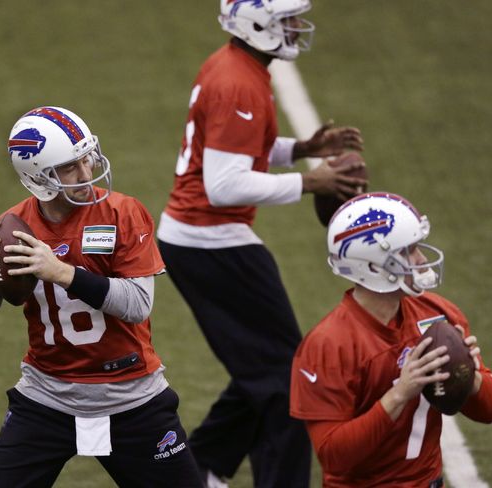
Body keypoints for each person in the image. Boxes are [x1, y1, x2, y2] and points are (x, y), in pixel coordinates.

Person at [156, 1, 366, 487]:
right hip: (209, 240)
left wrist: (301, 149)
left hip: (204, 240)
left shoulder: (235, 66)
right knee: (289, 380)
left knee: (269, 369)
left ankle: (200, 468)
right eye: (288, 18)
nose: (296, 26)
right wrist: (308, 182)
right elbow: (224, 184)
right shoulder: (239, 80)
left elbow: (238, 142)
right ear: (257, 23)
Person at [0, 106, 203, 487]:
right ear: (38, 178)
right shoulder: (15, 228)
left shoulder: (124, 212)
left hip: (131, 397)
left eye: (86, 157)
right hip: (46, 398)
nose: (86, 173)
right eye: (69, 167)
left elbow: (138, 304)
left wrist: (60, 272)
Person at [290, 192, 492, 487]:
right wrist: (400, 393)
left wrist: (470, 377)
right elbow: (333, 456)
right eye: (409, 250)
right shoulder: (328, 345)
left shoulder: (438, 314)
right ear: (374, 266)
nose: (422, 259)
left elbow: (489, 411)